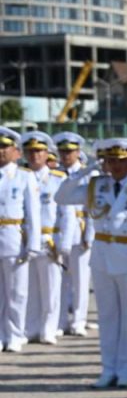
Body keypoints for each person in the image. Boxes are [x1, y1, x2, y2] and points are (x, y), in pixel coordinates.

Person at [56, 138, 127, 388]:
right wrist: (87, 169)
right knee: (107, 318)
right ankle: (108, 369)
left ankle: (126, 371)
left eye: (121, 160)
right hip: (102, 258)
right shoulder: (96, 185)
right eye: (110, 161)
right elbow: (62, 196)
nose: (116, 166)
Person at [21, 132, 67, 345]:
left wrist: (63, 243)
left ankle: (49, 329)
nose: (34, 155)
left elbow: (67, 214)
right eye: (30, 151)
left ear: (47, 153)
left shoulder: (58, 179)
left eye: (39, 151)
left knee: (51, 288)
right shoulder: (21, 177)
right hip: (25, 238)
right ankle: (30, 328)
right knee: (29, 288)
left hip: (50, 239)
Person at [0, 127, 41, 352]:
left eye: (4, 147)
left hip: (14, 239)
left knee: (17, 292)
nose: (1, 151)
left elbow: (33, 213)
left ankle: (15, 334)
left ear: (15, 151)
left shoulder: (24, 176)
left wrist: (33, 244)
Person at [53, 132, 92, 337]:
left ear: (78, 152)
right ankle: (60, 321)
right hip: (58, 233)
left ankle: (78, 320)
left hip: (79, 230)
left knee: (80, 280)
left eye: (69, 151)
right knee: (60, 281)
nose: (66, 155)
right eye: (62, 151)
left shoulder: (87, 174)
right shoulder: (55, 174)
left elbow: (93, 207)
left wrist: (89, 235)